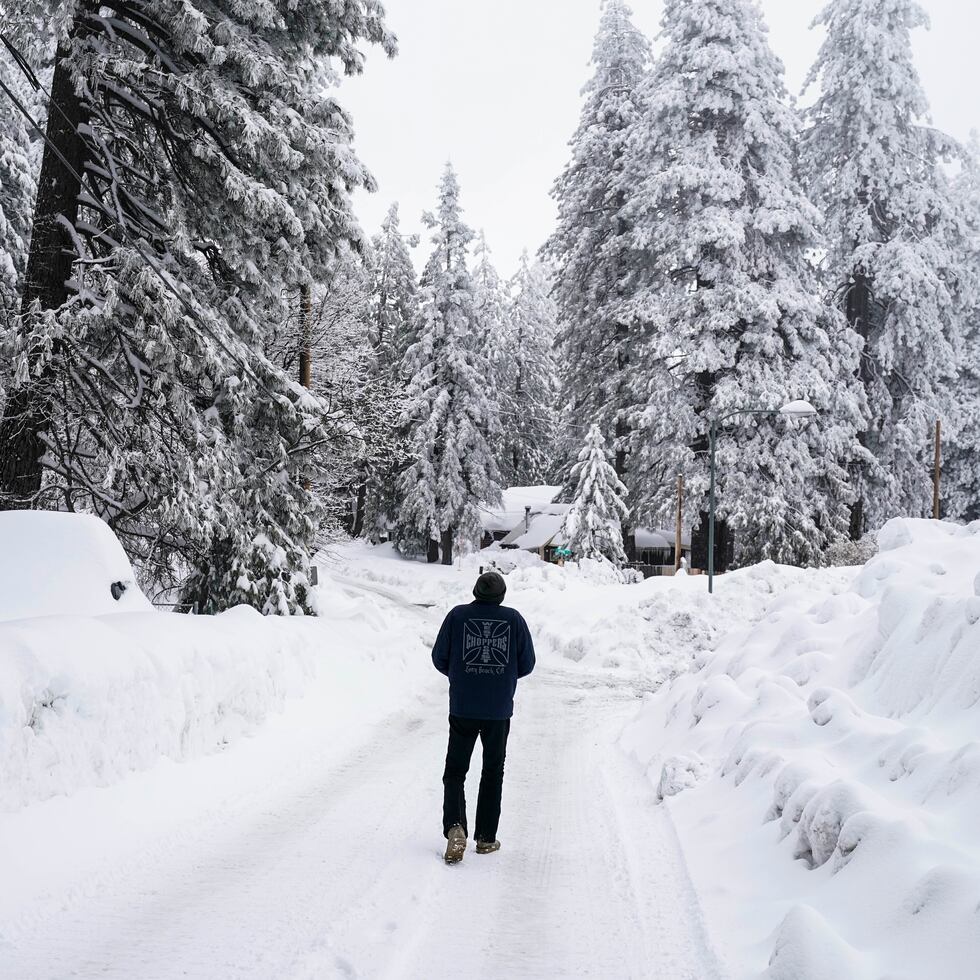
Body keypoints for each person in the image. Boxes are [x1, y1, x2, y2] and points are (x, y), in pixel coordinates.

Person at [431, 570, 535, 865]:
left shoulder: (456, 616)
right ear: (501, 596)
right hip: (498, 710)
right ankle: (486, 838)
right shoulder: (513, 620)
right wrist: (503, 676)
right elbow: (527, 663)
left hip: (462, 707)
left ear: (476, 592)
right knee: (492, 772)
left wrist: (461, 675)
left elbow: (440, 657)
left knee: (455, 771)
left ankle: (455, 827)